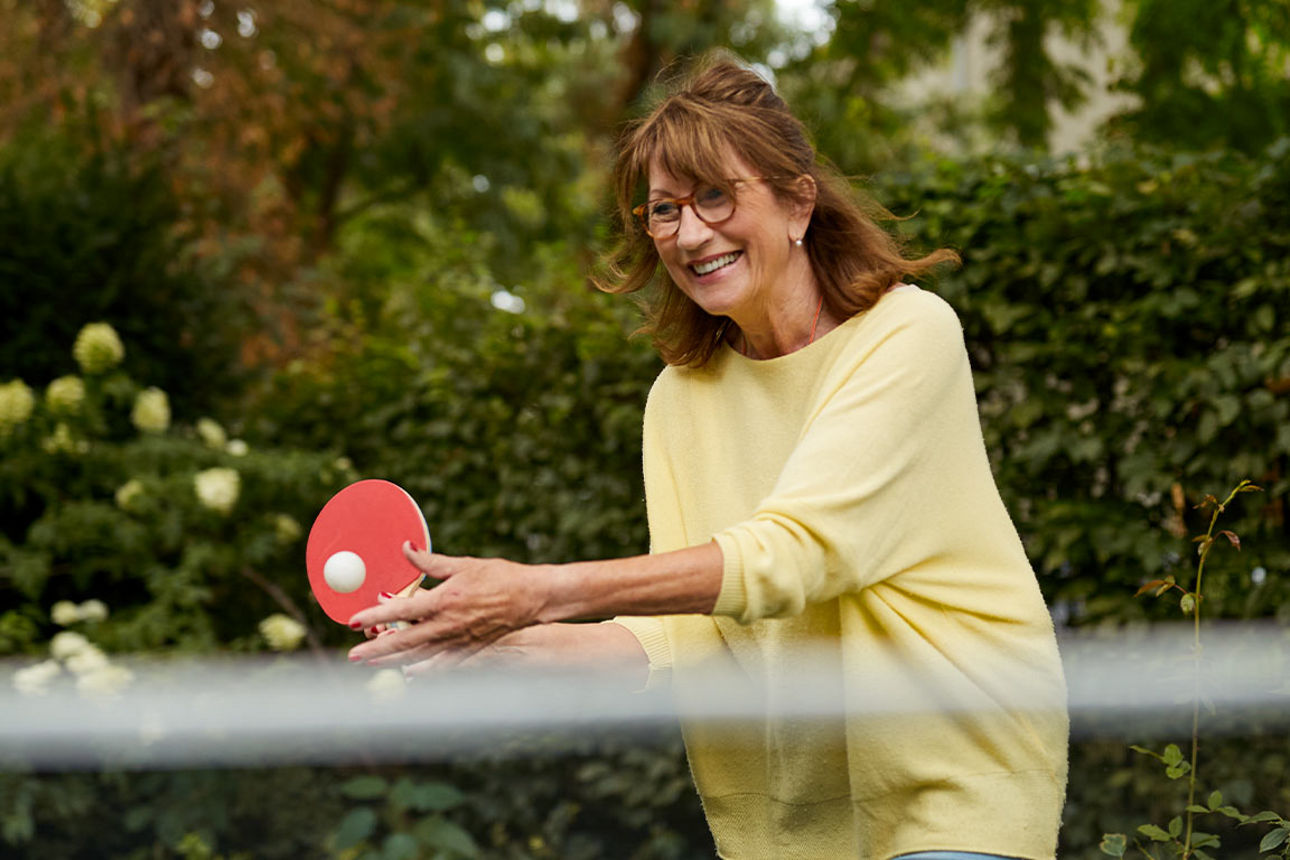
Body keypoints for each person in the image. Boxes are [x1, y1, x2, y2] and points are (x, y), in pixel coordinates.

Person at [347, 53, 1069, 860]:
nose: (690, 234)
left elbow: (798, 556)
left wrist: (539, 592)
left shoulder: (909, 336)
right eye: (663, 211)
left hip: (959, 787)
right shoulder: (679, 401)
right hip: (786, 831)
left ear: (799, 204)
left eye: (716, 196)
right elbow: (695, 642)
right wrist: (490, 643)